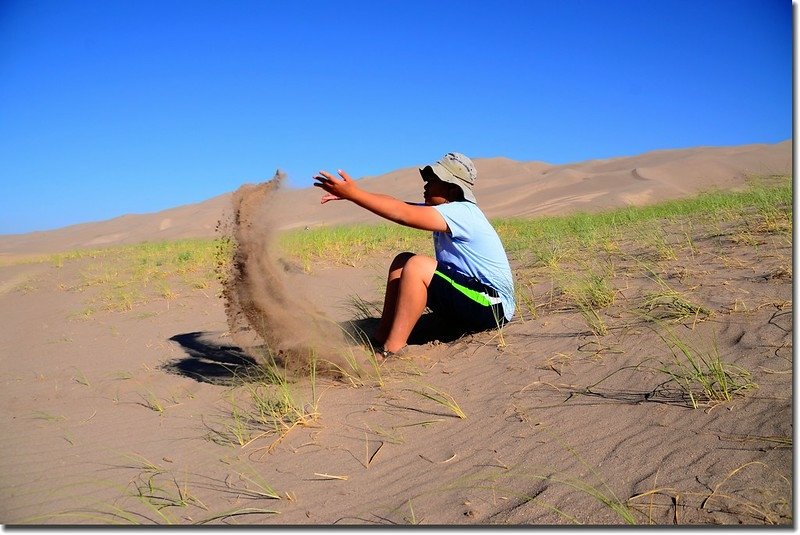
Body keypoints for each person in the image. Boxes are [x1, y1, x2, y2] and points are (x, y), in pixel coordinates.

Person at [313, 152, 515, 359]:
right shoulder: (444, 210)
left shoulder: (462, 212)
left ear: (452, 189)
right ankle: (381, 336)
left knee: (417, 265)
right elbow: (397, 204)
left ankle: (392, 350)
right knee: (403, 260)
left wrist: (354, 194)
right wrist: (353, 194)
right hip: (468, 299)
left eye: (433, 180)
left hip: (492, 307)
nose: (426, 185)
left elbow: (402, 214)